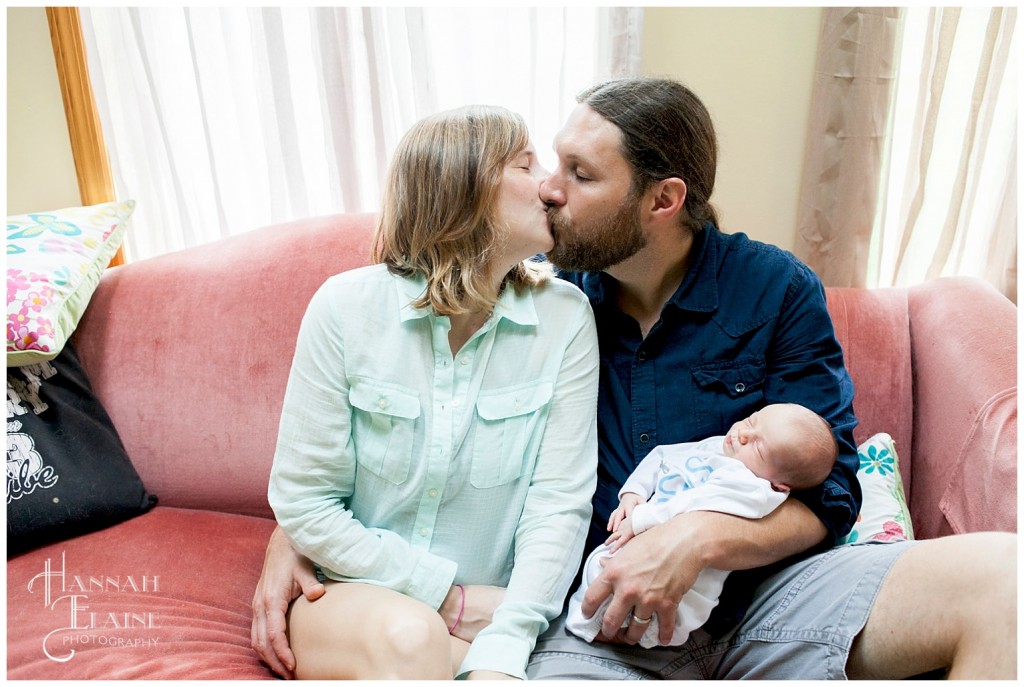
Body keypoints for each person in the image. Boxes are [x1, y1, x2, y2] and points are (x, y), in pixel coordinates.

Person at [252, 78, 1017, 680]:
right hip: (602, 626)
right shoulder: (550, 300)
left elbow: (834, 486)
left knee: (1006, 579)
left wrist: (697, 537)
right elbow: (391, 428)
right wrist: (294, 532)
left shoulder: (774, 289)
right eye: (547, 164)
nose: (550, 188)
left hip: (770, 599)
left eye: (580, 175)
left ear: (663, 200)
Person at [264, 104, 600, 680]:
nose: (550, 184)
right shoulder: (344, 308)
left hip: (489, 623)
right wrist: (445, 596)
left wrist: (508, 642)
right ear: (464, 186)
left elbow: (558, 505)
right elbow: (305, 501)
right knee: (411, 632)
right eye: (526, 164)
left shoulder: (565, 318)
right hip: (350, 599)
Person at [566, 403, 837, 648]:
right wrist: (634, 491)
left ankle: (613, 632)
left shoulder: (755, 490)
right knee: (600, 568)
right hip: (650, 540)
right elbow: (662, 455)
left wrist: (639, 520)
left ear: (779, 484)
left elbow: (692, 504)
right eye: (752, 421)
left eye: (759, 447)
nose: (744, 434)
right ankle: (589, 622)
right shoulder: (720, 447)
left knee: (648, 601)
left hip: (690, 583)